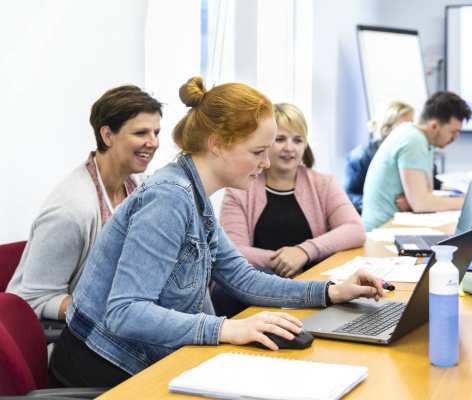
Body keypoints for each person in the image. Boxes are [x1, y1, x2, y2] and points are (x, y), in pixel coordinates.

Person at [49, 77, 385, 388]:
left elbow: (243, 278)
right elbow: (126, 312)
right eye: (258, 151)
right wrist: (227, 327)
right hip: (106, 367)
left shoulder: (196, 196)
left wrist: (331, 292)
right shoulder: (169, 199)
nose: (266, 163)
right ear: (218, 144)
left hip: (148, 360)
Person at [7, 85, 162, 322]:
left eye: (156, 133)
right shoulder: (71, 210)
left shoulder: (136, 186)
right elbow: (33, 299)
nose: (153, 143)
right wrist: (115, 313)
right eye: (141, 133)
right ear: (107, 135)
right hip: (64, 340)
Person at [214, 103, 365, 316]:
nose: (289, 148)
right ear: (264, 145)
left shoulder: (324, 183)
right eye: (280, 139)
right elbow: (234, 251)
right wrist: (285, 261)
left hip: (311, 283)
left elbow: (355, 229)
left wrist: (303, 252)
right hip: (256, 288)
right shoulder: (239, 190)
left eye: (298, 140)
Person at [361, 92, 472, 231]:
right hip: (382, 231)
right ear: (433, 126)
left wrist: (416, 201)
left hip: (397, 224)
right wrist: (470, 202)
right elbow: (422, 203)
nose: (456, 137)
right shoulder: (413, 141)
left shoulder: (422, 139)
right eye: (453, 132)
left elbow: (425, 194)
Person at [344, 101, 414, 213]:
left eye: (412, 126)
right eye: (404, 127)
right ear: (387, 127)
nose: (411, 132)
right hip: (377, 216)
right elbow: (350, 196)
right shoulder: (360, 156)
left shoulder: (409, 151)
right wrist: (385, 203)